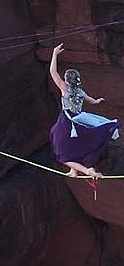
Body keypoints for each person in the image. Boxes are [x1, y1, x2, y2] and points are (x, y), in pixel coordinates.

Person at [49, 43, 120, 178]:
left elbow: (53, 72)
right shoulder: (80, 92)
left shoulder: (65, 89)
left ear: (67, 81)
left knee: (61, 152)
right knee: (74, 146)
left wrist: (54, 53)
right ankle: (74, 170)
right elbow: (91, 101)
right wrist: (97, 101)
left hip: (68, 121)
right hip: (80, 119)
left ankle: (87, 170)